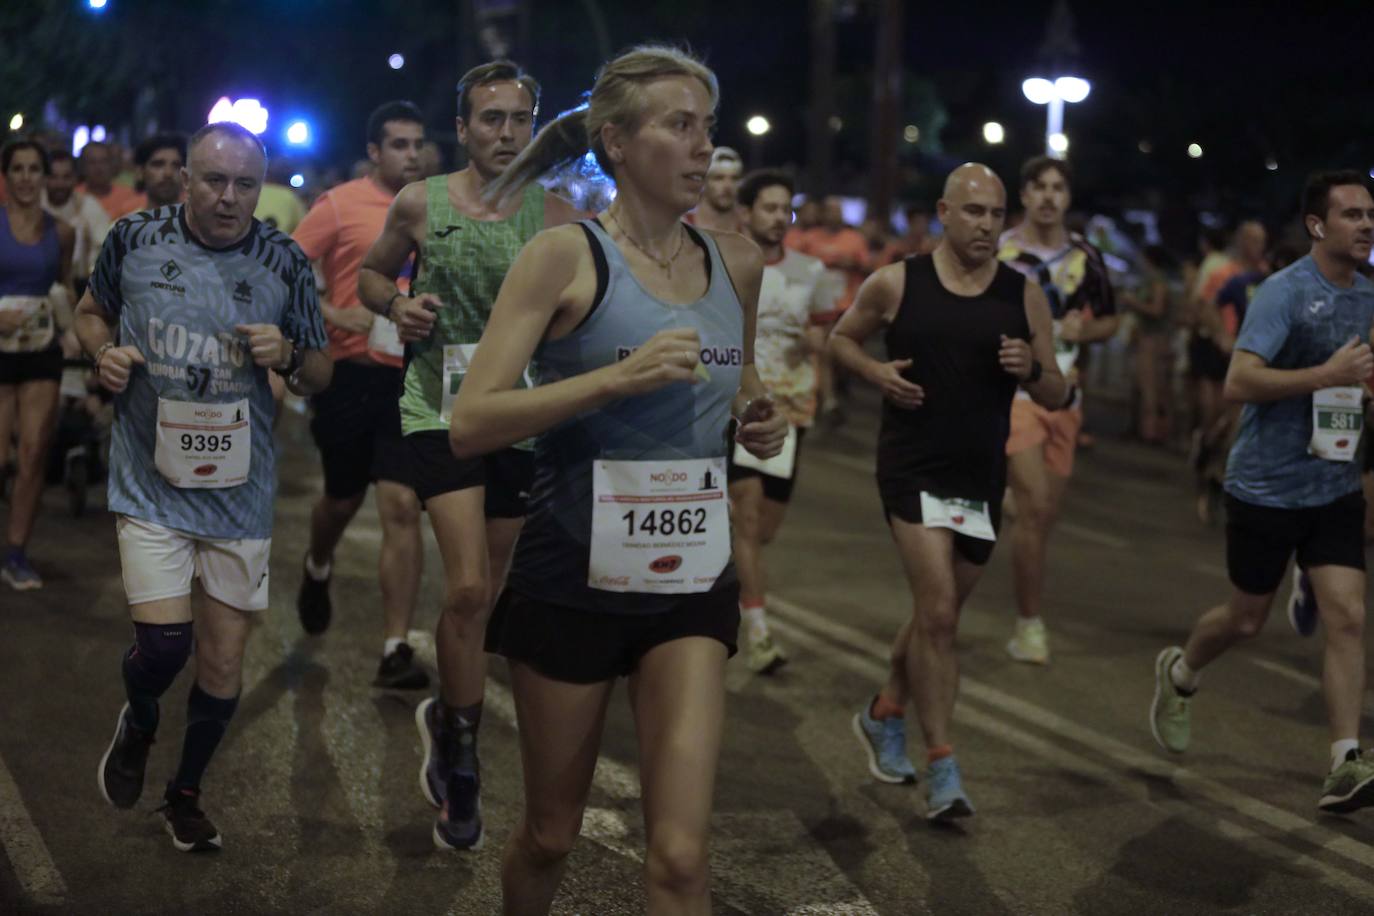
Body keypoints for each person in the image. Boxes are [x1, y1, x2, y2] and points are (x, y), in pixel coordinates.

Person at [451, 44, 786, 912]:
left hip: (691, 583)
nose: (702, 145)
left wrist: (758, 408)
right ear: (618, 143)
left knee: (679, 857)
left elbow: (734, 371)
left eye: (706, 127)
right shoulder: (564, 258)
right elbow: (472, 421)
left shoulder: (737, 262)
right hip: (572, 577)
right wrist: (611, 379)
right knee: (551, 836)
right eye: (681, 125)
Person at [78, 122, 330, 851]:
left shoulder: (284, 260)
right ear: (185, 179)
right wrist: (103, 353)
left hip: (237, 493)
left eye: (245, 184)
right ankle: (141, 720)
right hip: (149, 477)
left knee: (222, 661)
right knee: (163, 649)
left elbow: (321, 372)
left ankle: (185, 793)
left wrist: (289, 355)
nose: (228, 197)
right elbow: (91, 312)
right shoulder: (134, 237)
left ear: (261, 186)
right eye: (213, 180)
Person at [357, 60, 584, 851]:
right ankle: (461, 758)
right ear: (461, 128)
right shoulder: (422, 201)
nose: (505, 133)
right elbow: (371, 274)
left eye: (519, 119)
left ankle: (448, 721)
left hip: (519, 419)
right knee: (464, 588)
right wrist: (398, 304)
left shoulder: (556, 217)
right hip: (439, 411)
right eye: (489, 118)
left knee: (489, 602)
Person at [830, 162, 1066, 820]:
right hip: (911, 467)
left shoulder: (1022, 294)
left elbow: (1059, 392)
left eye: (996, 213)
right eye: (974, 212)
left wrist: (1033, 368)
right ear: (944, 211)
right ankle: (944, 767)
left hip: (977, 477)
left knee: (940, 617)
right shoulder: (898, 282)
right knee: (936, 613)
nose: (988, 224)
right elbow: (841, 340)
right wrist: (878, 373)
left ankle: (884, 713)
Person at [1150, 170, 1374, 815]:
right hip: (1266, 488)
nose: (1365, 225)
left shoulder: (1367, 298)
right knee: (1246, 619)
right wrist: (1326, 375)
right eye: (1352, 214)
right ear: (1316, 225)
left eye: (1370, 214)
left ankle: (1343, 762)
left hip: (1333, 484)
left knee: (1349, 616)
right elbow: (1239, 382)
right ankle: (1181, 673)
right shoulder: (1282, 293)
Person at [293, 101, 429, 688]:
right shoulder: (340, 205)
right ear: (374, 151)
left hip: (411, 376)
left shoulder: (434, 205)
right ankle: (317, 562)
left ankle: (395, 645)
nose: (411, 154)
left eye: (417, 143)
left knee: (402, 504)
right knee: (343, 500)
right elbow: (284, 271)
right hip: (349, 375)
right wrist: (331, 314)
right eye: (398, 144)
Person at [997, 156, 1118, 665]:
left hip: (1064, 394)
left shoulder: (1085, 257)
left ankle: (1003, 498)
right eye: (1039, 187)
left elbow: (1110, 321)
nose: (1048, 197)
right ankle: (1030, 624)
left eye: (1058, 189)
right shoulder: (999, 250)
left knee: (1044, 515)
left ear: (1067, 198)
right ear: (1024, 195)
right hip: (1012, 393)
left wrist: (1081, 331)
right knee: (1034, 507)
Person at [729, 169, 841, 673]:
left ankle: (729, 584)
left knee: (762, 531)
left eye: (785, 209)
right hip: (741, 406)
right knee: (747, 521)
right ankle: (758, 634)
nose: (778, 217)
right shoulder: (727, 263)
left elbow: (828, 336)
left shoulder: (812, 273)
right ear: (747, 212)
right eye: (769, 207)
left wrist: (824, 351)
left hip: (792, 411)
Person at [0, 140, 76, 589]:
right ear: (6, 176)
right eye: (18, 169)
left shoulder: (62, 231)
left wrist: (72, 330)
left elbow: (64, 286)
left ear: (46, 177)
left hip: (41, 349)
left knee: (33, 455)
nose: (27, 177)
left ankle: (16, 553)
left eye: (35, 170)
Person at [1121, 245, 1180, 443]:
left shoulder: (1157, 281)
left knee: (1151, 387)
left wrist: (1131, 302)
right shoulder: (1154, 279)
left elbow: (1156, 309)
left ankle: (1151, 432)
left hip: (1154, 339)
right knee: (1147, 385)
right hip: (1150, 337)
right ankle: (1148, 429)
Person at [42, 150, 110, 293]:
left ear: (75, 179)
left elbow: (107, 250)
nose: (60, 184)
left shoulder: (89, 206)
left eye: (66, 177)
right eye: (53, 177)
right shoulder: (35, 206)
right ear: (44, 178)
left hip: (81, 286)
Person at [79, 141, 144, 221]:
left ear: (111, 165)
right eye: (92, 162)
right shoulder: (73, 197)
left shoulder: (131, 196)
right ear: (82, 166)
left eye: (103, 161)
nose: (98, 167)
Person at [686, 146, 742, 233]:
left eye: (734, 178)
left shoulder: (749, 227)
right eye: (718, 178)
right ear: (703, 181)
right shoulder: (682, 225)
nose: (728, 186)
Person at [133, 133, 187, 211]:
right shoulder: (127, 223)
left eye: (176, 166)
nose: (168, 173)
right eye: (158, 165)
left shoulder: (199, 222)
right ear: (140, 172)